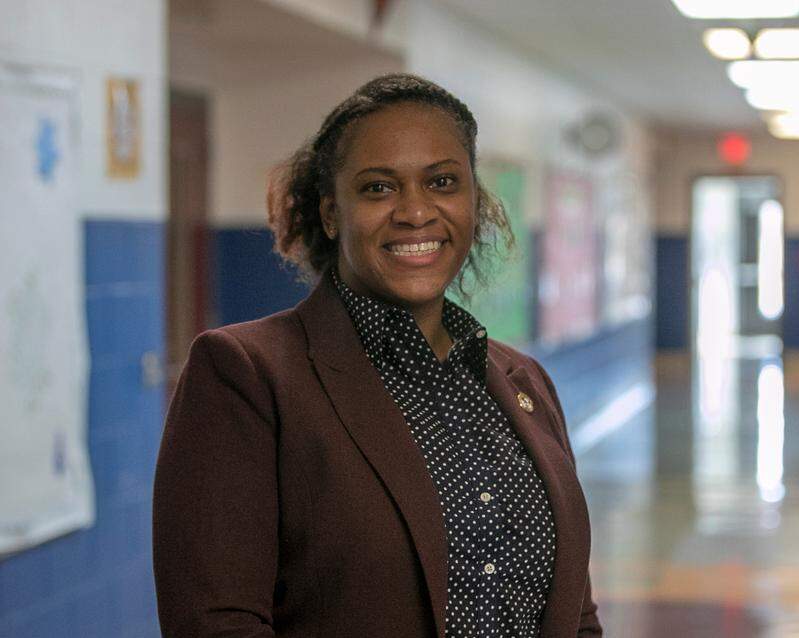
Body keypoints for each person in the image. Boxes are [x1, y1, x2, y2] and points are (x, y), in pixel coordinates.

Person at [153, 73, 602, 638]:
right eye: (378, 188)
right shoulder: (248, 374)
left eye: (441, 182)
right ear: (331, 212)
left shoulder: (524, 381)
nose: (415, 212)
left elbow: (575, 612)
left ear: (474, 200)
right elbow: (215, 624)